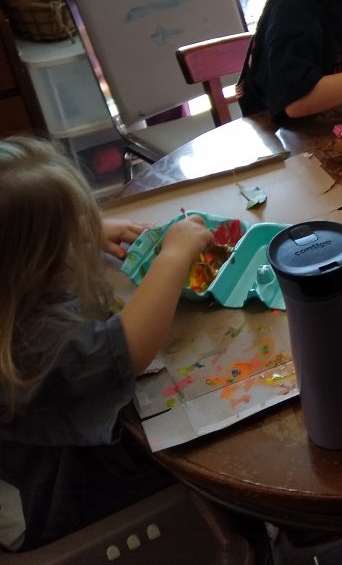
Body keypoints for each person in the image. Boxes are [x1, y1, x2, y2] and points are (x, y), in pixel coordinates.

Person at [0, 136, 214, 551]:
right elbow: (130, 347)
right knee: (209, 449)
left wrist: (86, 230)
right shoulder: (29, 350)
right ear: (32, 261)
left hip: (37, 463)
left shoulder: (9, 292)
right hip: (72, 498)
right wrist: (175, 254)